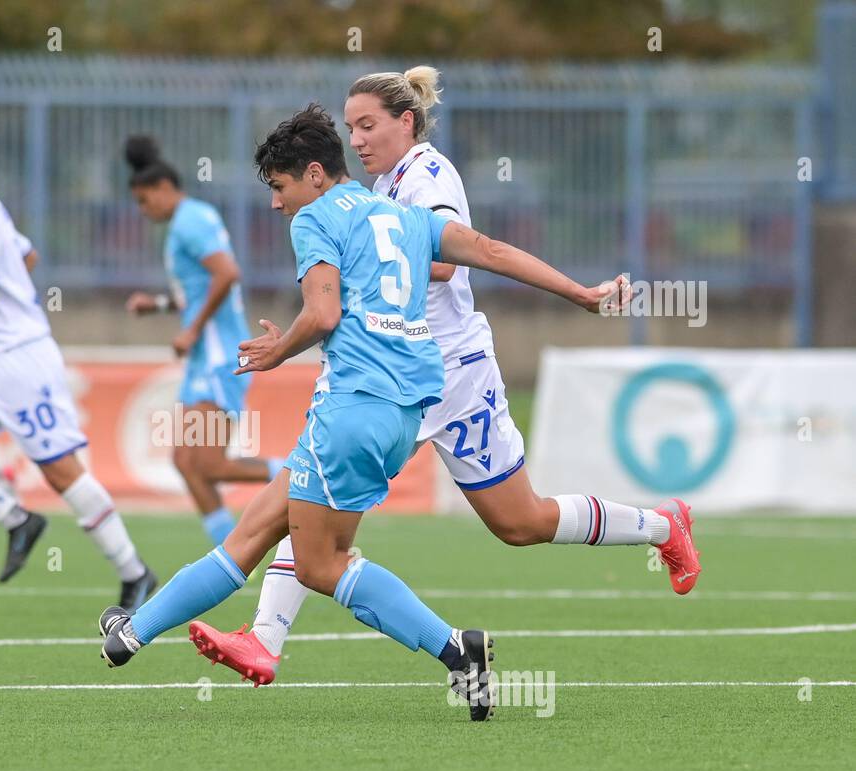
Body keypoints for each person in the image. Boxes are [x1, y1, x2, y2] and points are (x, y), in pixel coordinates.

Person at [99, 105, 632, 720]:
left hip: (351, 408)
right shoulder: (405, 216)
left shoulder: (314, 220)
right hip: (403, 411)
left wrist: (278, 349)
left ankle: (456, 650)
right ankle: (132, 631)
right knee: (255, 530)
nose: (276, 203)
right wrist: (582, 294)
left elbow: (322, 315)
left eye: (279, 187)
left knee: (322, 565)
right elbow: (491, 251)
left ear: (316, 174)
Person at [193, 68, 701, 685]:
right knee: (493, 519)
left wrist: (579, 295)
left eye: (368, 124)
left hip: (439, 370)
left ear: (407, 122)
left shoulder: (428, 175)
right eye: (350, 127)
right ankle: (661, 525)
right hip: (404, 370)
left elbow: (454, 258)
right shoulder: (379, 186)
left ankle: (266, 639)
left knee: (507, 521)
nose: (357, 138)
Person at [0, 117, 157, 610]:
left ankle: (135, 571)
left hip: (19, 360)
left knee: (62, 472)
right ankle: (18, 520)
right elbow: (27, 257)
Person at [123, 135, 283, 544]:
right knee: (185, 461)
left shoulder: (190, 221)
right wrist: (158, 305)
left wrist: (192, 329)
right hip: (203, 356)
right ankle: (228, 552)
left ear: (162, 188)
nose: (144, 211)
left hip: (217, 355)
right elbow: (197, 291)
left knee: (208, 463)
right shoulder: (188, 220)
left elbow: (227, 273)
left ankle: (296, 472)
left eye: (144, 201)